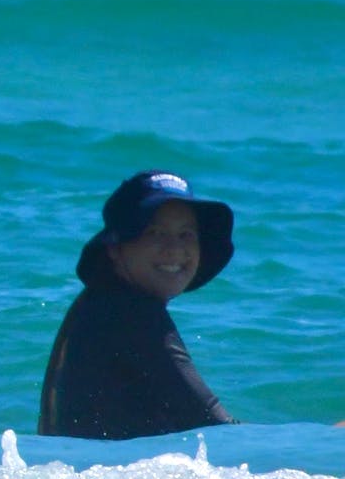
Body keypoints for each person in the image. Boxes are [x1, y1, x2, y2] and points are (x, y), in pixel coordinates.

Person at [38, 171, 237, 440]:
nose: (174, 249)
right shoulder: (133, 314)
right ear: (115, 248)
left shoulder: (100, 303)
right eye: (155, 232)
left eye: (186, 235)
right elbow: (213, 425)